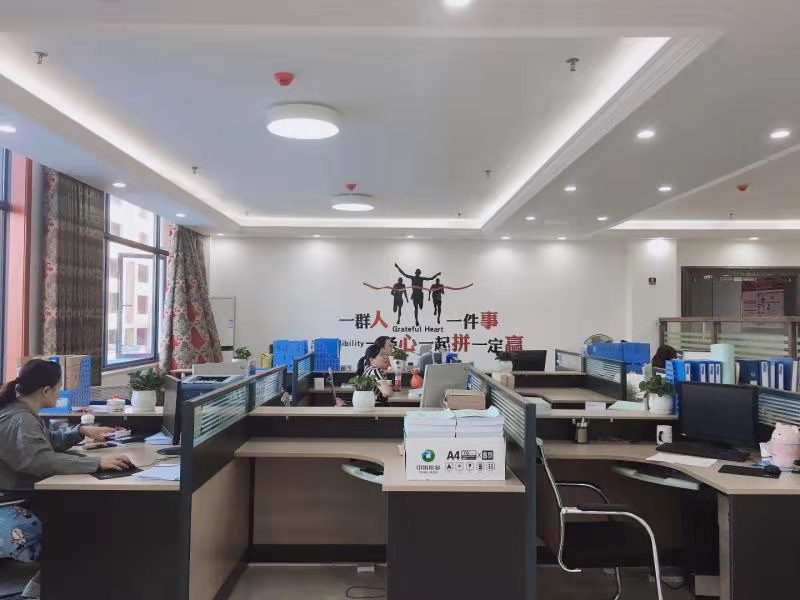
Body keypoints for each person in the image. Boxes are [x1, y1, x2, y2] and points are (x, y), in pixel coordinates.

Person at [0, 359, 133, 599]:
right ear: (46, 391)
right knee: (84, 535)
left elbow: (47, 441)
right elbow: (40, 460)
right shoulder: (21, 420)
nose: (60, 392)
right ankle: (37, 592)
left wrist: (80, 431)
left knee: (88, 518)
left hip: (22, 497)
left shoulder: (20, 412)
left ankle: (37, 591)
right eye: (59, 387)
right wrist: (97, 463)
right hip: (12, 505)